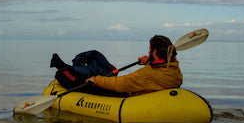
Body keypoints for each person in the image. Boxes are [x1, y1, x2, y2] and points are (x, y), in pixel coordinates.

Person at [51, 35, 182, 96]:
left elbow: (121, 83)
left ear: (156, 52)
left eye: (150, 50)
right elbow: (158, 70)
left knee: (85, 82)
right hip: (145, 87)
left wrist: (97, 80)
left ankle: (63, 69)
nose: (148, 52)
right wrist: (149, 61)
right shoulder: (174, 70)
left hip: (126, 96)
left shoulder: (148, 73)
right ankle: (65, 66)